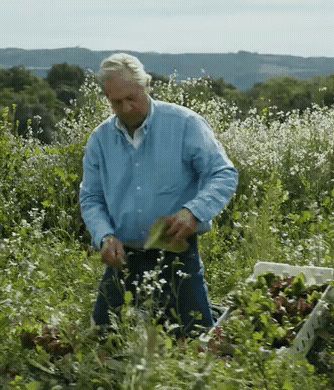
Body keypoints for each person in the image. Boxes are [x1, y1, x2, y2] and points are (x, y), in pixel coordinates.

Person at [79, 53, 238, 336]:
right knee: (104, 342)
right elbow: (91, 198)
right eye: (117, 102)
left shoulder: (185, 124)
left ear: (147, 86)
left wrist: (193, 211)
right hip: (123, 258)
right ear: (107, 98)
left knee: (193, 341)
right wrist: (105, 236)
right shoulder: (100, 140)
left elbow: (223, 173)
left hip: (177, 254)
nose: (127, 108)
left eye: (132, 97)